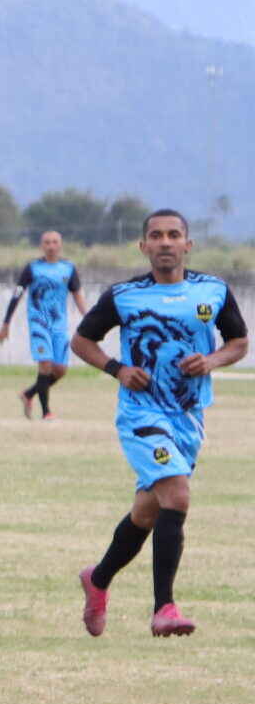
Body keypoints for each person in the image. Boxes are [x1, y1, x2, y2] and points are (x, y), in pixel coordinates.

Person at [71, 209, 247, 638]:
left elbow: (239, 342)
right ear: (143, 246)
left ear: (188, 244)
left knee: (148, 510)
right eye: (156, 235)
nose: (165, 242)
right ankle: (164, 608)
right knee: (178, 494)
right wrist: (117, 368)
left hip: (188, 416)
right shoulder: (124, 295)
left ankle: (98, 579)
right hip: (141, 414)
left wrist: (211, 360)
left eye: (174, 235)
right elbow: (80, 340)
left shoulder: (213, 291)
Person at [0, 229, 81, 420]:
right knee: (44, 364)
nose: (51, 246)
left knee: (60, 370)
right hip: (38, 323)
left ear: (60, 245)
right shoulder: (32, 268)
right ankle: (46, 413)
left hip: (59, 325)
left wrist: (90, 317)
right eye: (47, 242)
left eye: (54, 242)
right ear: (41, 246)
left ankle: (28, 394)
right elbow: (17, 295)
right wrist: (6, 323)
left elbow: (78, 295)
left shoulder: (68, 269)